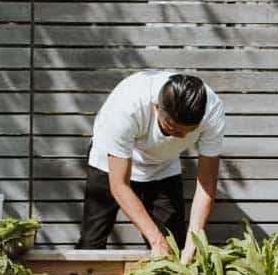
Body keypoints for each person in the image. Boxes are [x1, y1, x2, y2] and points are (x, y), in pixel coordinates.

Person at [77, 70, 225, 264]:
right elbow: (119, 185)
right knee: (92, 243)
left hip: (163, 165)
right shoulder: (127, 106)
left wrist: (193, 241)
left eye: (188, 132)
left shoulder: (212, 110)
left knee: (173, 246)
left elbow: (206, 182)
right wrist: (156, 241)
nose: (180, 137)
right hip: (109, 163)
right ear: (156, 108)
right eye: (171, 129)